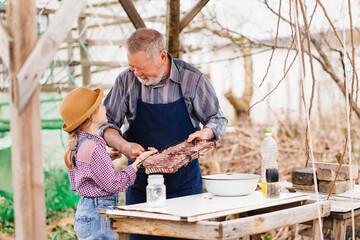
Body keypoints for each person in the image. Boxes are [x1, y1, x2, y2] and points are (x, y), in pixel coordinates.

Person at [99, 28, 228, 239]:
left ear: (162, 56)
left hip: (186, 188)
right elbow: (106, 125)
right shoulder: (125, 81)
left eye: (141, 68)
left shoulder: (193, 80)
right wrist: (123, 145)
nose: (136, 74)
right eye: (132, 67)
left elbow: (217, 119)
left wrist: (205, 133)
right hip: (140, 187)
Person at [59, 87, 158, 240]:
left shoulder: (81, 143)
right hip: (99, 216)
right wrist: (138, 162)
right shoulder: (94, 148)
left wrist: (107, 157)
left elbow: (88, 171)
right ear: (89, 117)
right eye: (99, 106)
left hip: (86, 212)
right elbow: (113, 183)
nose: (105, 107)